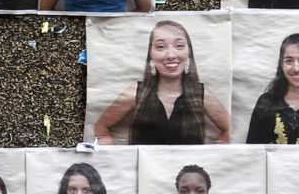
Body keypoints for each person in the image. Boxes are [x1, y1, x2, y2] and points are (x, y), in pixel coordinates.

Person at [93, 20, 232, 145]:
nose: (171, 55)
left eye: (179, 45)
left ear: (188, 53)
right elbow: (101, 128)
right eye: (160, 47)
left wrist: (215, 154)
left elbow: (230, 130)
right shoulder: (136, 92)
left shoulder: (200, 94)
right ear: (151, 56)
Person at [245, 33, 299, 144]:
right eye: (289, 61)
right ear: (281, 65)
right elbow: (252, 151)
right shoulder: (266, 103)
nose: (296, 68)